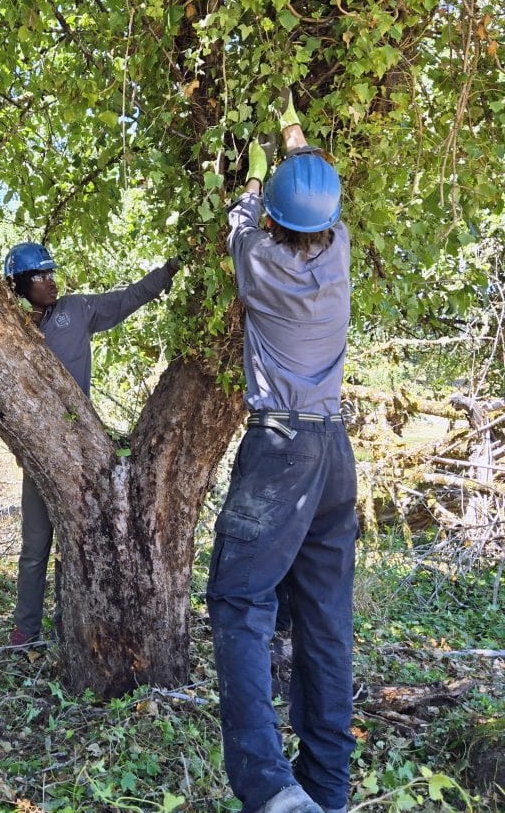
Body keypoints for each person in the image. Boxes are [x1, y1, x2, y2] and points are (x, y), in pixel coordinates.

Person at [205, 95, 356, 813]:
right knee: (325, 615)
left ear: (274, 223)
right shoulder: (340, 252)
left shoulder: (257, 259)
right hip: (333, 452)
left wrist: (252, 179)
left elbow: (241, 215)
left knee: (239, 599)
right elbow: (312, 189)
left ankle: (268, 788)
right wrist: (292, 122)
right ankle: (327, 790)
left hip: (281, 447)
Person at [3, 241, 180, 646]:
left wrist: (169, 269)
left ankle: (74, 627)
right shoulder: (9, 328)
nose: (51, 282)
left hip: (80, 451)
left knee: (81, 545)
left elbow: (129, 297)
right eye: (40, 277)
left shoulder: (76, 310)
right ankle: (25, 629)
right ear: (19, 285)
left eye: (52, 273)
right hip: (37, 453)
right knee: (35, 548)